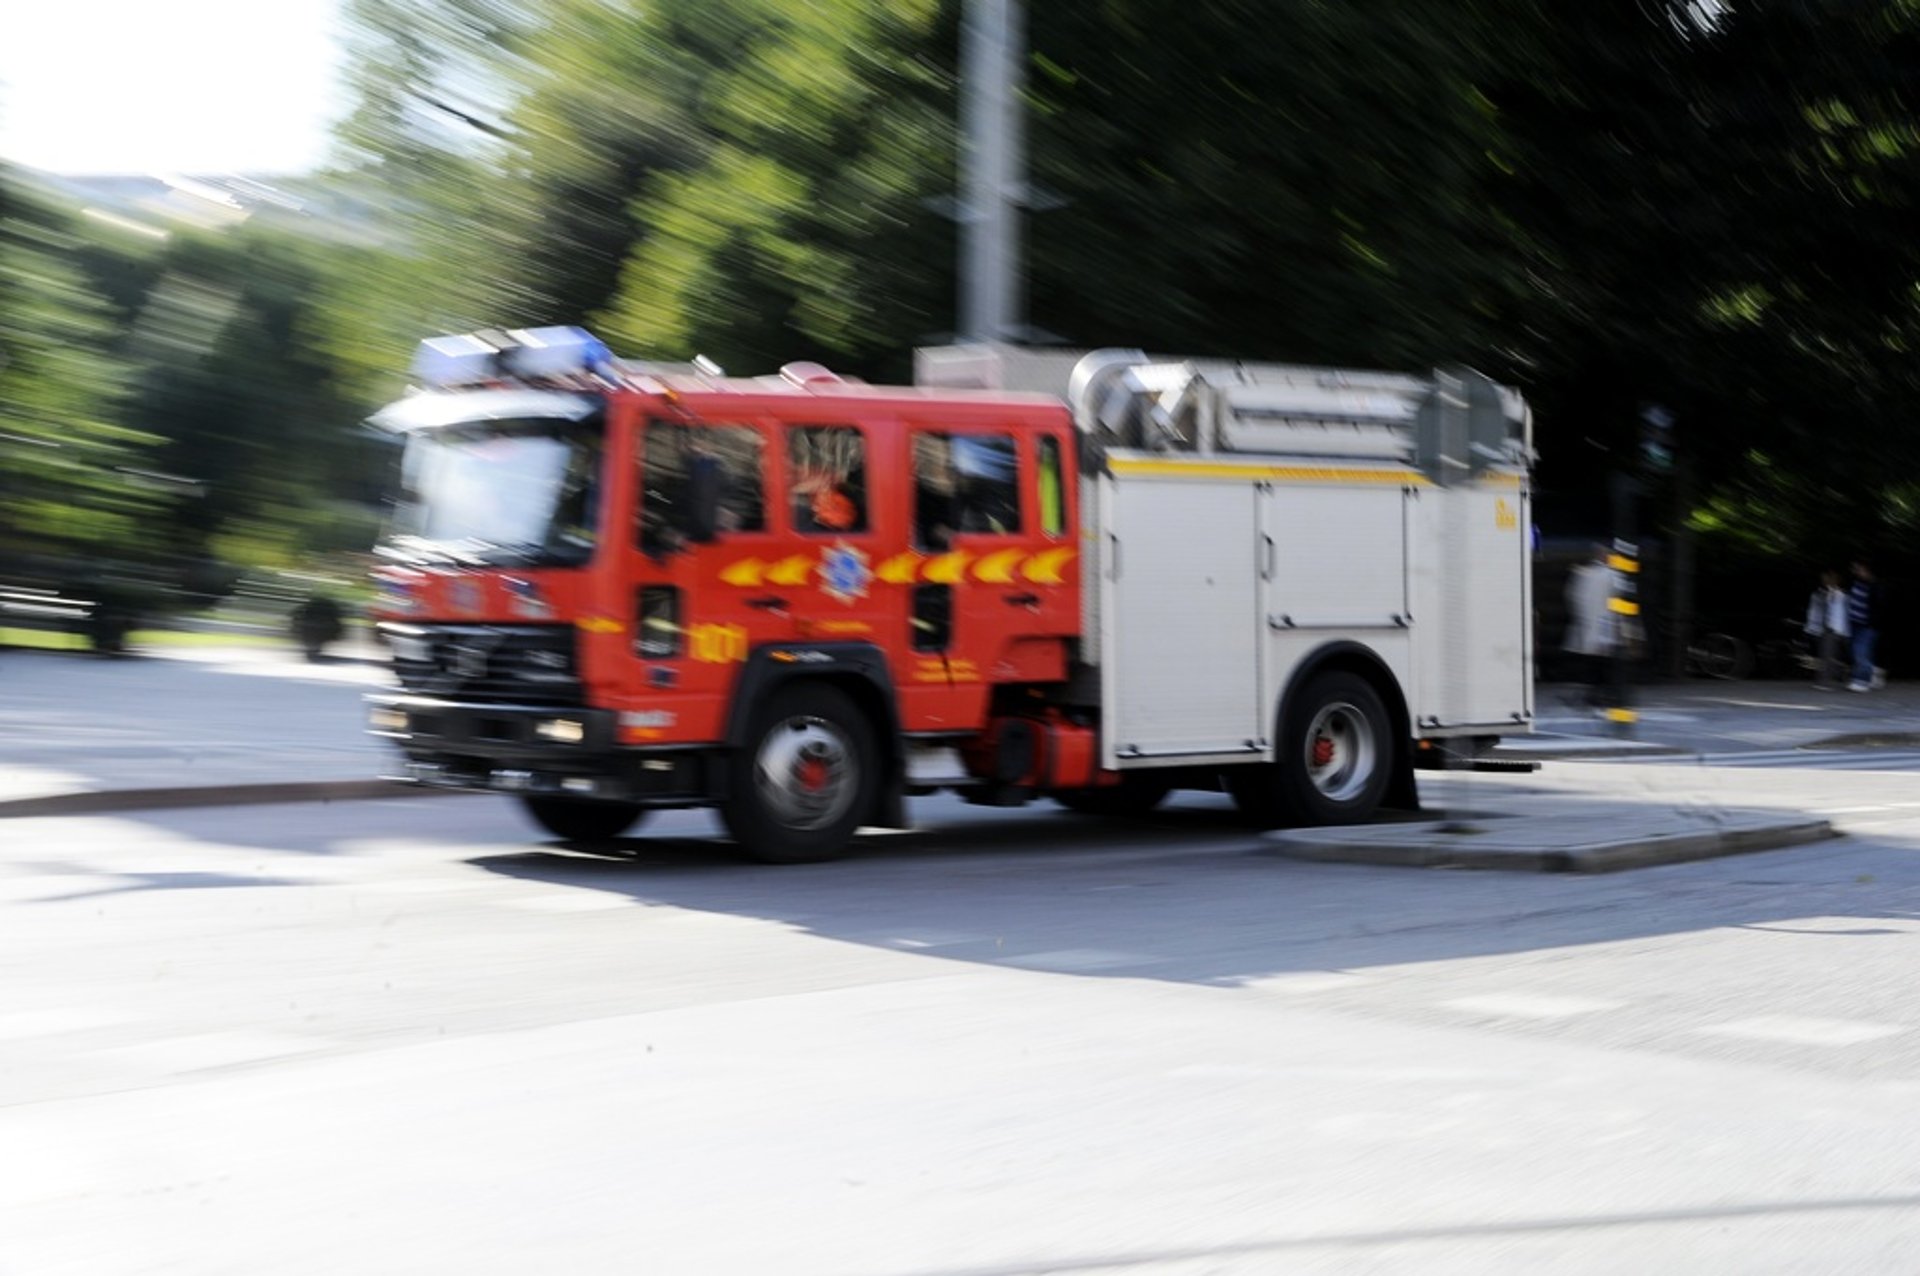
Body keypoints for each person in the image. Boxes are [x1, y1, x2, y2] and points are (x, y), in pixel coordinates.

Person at [1563, 543, 1616, 708]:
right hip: (1606, 626)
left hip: (1585, 626)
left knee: (1590, 664)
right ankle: (1599, 695)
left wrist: (1580, 617)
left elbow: (1572, 596)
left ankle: (1590, 695)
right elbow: (1618, 598)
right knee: (1603, 664)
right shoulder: (1611, 575)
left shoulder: (1583, 574)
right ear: (1605, 557)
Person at [1804, 569, 1850, 689]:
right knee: (1826, 655)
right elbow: (1814, 612)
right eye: (1824, 578)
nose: (1825, 580)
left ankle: (1841, 674)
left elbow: (1846, 612)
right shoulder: (1819, 594)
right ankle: (1823, 681)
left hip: (1842, 629)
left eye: (1828, 578)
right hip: (1828, 628)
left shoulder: (1843, 595)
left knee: (1838, 656)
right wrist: (1810, 627)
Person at [1847, 561, 1881, 692]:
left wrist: (1874, 622)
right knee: (1863, 652)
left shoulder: (1875, 586)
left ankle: (1862, 681)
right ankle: (1871, 674)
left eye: (1861, 570)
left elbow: (1879, 606)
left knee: (1859, 651)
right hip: (1854, 623)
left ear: (1868, 572)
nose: (1858, 572)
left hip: (1868, 625)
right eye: (1857, 570)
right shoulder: (1854, 582)